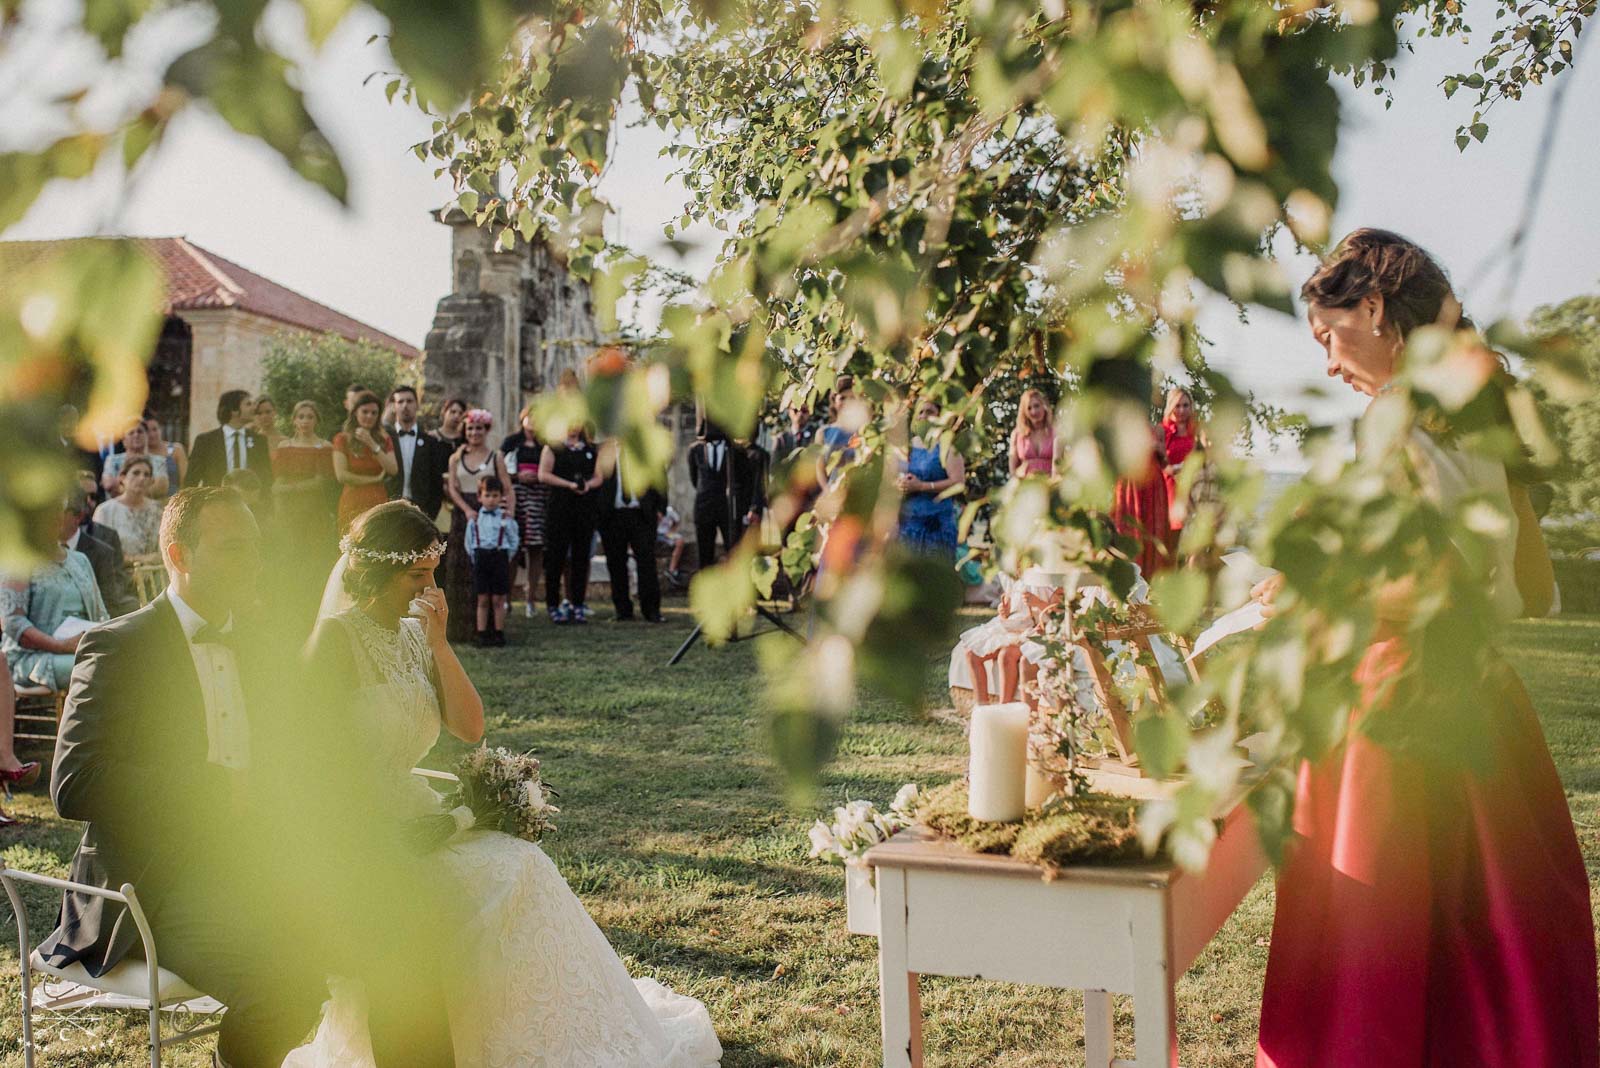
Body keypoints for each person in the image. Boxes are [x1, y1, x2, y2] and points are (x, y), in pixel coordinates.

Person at [1253, 229, 1597, 1068]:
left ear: (1373, 307)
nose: (1331, 363)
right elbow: (1532, 587)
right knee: (1488, 947)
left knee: (1379, 939)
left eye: (1330, 337)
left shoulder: (1399, 415)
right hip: (1483, 707)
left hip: (1392, 720)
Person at [285, 501, 722, 1068]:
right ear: (374, 573)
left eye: (433, 573)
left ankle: (542, 1040)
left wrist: (439, 643)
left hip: (421, 810)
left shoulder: (416, 635)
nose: (431, 589)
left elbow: (470, 727)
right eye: (417, 576)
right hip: (366, 830)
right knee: (505, 874)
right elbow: (310, 765)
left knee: (523, 862)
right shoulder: (335, 642)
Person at [43, 487, 458, 1068]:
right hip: (159, 878)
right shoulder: (118, 646)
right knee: (283, 978)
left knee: (402, 939)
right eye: (233, 549)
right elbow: (74, 781)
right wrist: (215, 786)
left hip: (264, 860)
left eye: (256, 548)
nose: (253, 563)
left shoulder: (267, 644)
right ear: (179, 555)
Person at [2, 505, 109, 691]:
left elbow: (102, 615)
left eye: (60, 508)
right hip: (34, 658)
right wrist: (62, 646)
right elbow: (13, 623)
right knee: (98, 668)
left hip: (85, 649)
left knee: (130, 661)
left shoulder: (80, 560)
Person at [444, 409, 513, 641]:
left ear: (486, 430)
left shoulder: (496, 457)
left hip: (490, 512)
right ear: (465, 431)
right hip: (465, 513)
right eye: (470, 428)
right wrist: (465, 509)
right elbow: (453, 487)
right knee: (462, 569)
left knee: (489, 573)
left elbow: (507, 487)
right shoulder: (456, 457)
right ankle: (463, 629)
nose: (474, 433)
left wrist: (509, 513)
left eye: (479, 429)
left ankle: (491, 629)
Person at [538, 423, 601, 624]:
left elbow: (598, 476)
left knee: (581, 558)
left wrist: (587, 486)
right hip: (559, 508)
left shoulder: (591, 449)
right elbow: (543, 474)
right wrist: (568, 485)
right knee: (555, 558)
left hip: (583, 509)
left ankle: (577, 604)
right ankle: (553, 605)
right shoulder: (553, 447)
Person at [597, 441, 666, 623]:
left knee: (646, 561)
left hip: (641, 515)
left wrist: (661, 508)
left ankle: (651, 610)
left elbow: (660, 479)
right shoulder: (603, 452)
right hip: (613, 516)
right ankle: (623, 610)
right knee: (616, 562)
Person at [896, 397, 964, 561]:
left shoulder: (948, 447)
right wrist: (900, 484)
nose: (924, 416)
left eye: (930, 412)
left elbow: (958, 483)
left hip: (936, 527)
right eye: (920, 412)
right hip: (908, 526)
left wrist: (921, 486)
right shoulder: (907, 448)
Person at [500, 404, 549, 616]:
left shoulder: (545, 444)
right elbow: (499, 467)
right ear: (523, 418)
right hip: (516, 497)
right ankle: (507, 598)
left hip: (538, 499)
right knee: (513, 548)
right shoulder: (511, 442)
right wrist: (517, 477)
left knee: (536, 548)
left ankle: (531, 598)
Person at [688, 421, 752, 573]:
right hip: (704, 507)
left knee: (733, 551)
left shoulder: (736, 451)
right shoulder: (695, 450)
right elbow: (694, 479)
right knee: (705, 553)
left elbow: (744, 480)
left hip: (728, 508)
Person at [66, 487, 138, 617]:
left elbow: (109, 601)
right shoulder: (39, 549)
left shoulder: (102, 552)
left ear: (78, 517)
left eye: (61, 511)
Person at [1109, 420, 1169, 578]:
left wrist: (1155, 448)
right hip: (1128, 481)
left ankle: (1149, 586)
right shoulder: (1119, 424)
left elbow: (1164, 460)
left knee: (1152, 532)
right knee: (1126, 528)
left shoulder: (1158, 429)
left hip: (1153, 484)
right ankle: (1126, 579)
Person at [465, 475, 519, 646]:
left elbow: (513, 540)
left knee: (498, 598)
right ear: (480, 497)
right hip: (481, 558)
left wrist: (505, 556)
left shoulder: (506, 518)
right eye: (487, 495)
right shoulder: (474, 519)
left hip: (499, 557)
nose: (491, 499)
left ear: (501, 497)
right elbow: (469, 542)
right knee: (482, 598)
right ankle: (481, 634)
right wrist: (476, 557)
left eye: (495, 495)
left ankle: (498, 633)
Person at [333, 391, 397, 534]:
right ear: (355, 412)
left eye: (374, 413)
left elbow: (393, 469)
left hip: (377, 500)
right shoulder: (342, 439)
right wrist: (373, 479)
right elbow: (341, 475)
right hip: (352, 500)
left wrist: (372, 443)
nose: (369, 416)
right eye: (365, 412)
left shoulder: (384, 439)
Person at [385, 384, 449, 523]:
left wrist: (430, 514)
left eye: (409, 401)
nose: (405, 406)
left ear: (417, 405)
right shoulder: (385, 439)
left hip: (421, 511)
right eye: (400, 402)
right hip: (389, 507)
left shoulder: (431, 443)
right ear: (394, 406)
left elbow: (436, 483)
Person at [187, 389, 273, 489]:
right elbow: (191, 479)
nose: (254, 408)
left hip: (250, 503)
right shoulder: (206, 441)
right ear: (234, 410)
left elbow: (266, 480)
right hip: (216, 502)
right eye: (248, 404)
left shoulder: (259, 441)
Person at [92, 456, 163, 564]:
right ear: (122, 477)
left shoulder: (159, 510)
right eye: (136, 473)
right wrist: (140, 560)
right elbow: (101, 553)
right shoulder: (105, 511)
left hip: (155, 575)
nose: (142, 478)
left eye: (146, 474)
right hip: (118, 574)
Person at [1159, 388, 1199, 563]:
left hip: (1193, 488)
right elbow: (1159, 463)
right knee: (1171, 541)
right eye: (1177, 406)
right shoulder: (1163, 431)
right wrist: (1175, 468)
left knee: (1195, 541)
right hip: (1170, 489)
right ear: (1171, 407)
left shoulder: (1195, 431)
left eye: (1185, 405)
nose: (1181, 410)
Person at [101, 421, 171, 498]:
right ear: (124, 441)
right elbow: (109, 484)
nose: (136, 435)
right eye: (131, 433)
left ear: (147, 436)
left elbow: (161, 487)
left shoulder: (159, 461)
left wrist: (128, 492)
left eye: (140, 431)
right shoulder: (112, 461)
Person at [143, 414, 187, 489]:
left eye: (155, 429)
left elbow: (185, 481)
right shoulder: (141, 454)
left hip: (174, 498)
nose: (152, 434)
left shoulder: (176, 450)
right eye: (147, 431)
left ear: (160, 429)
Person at [659, 505, 688, 588]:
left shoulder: (669, 510)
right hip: (653, 534)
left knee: (680, 541)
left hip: (666, 534)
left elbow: (677, 520)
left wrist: (671, 530)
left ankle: (672, 570)